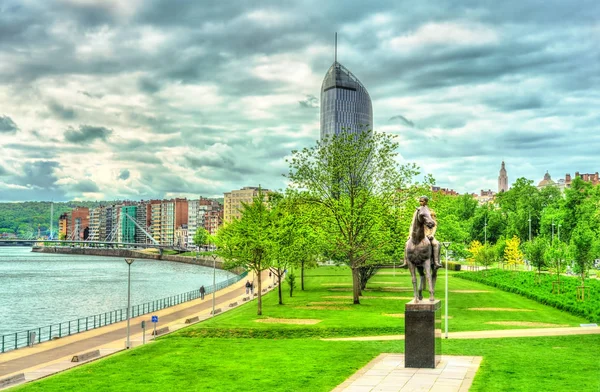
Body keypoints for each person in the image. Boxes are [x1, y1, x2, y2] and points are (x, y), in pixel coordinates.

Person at [400, 196, 443, 269]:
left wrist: (432, 234)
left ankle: (436, 262)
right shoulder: (417, 211)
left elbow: (434, 224)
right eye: (420, 201)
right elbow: (412, 224)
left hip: (428, 234)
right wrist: (410, 234)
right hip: (418, 235)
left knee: (436, 244)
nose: (420, 202)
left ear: (426, 202)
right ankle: (405, 262)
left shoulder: (430, 211)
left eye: (422, 201)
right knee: (407, 243)